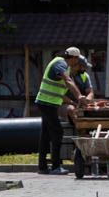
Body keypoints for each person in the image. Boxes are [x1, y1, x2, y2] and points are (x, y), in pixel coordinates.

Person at [35, 46, 85, 174]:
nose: (77, 62)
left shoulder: (64, 67)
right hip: (47, 103)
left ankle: (42, 167)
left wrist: (74, 101)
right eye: (77, 59)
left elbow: (61, 91)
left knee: (45, 135)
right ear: (73, 58)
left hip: (47, 103)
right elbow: (68, 81)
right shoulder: (59, 63)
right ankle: (56, 166)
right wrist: (79, 96)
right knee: (57, 132)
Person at [62, 54, 95, 127]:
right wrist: (74, 104)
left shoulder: (84, 75)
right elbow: (61, 96)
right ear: (76, 65)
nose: (85, 69)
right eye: (83, 66)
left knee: (93, 109)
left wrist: (87, 100)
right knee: (71, 109)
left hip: (80, 104)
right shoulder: (64, 75)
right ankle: (80, 129)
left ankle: (88, 129)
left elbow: (90, 92)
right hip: (65, 104)